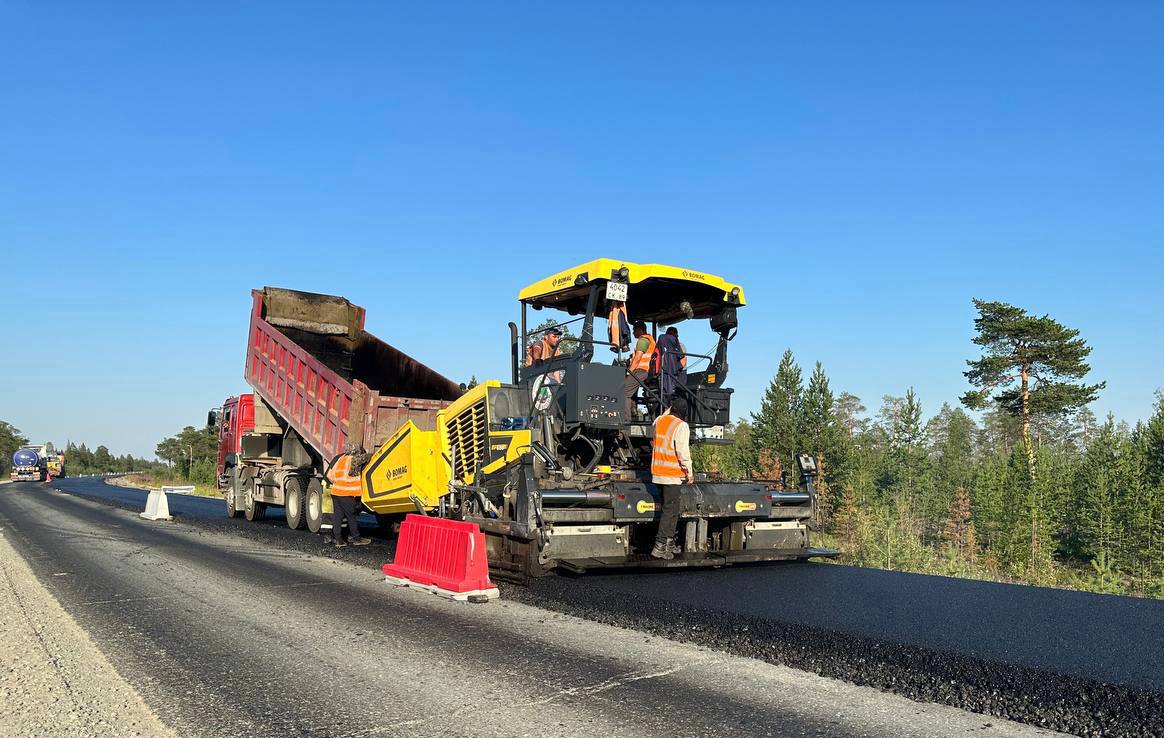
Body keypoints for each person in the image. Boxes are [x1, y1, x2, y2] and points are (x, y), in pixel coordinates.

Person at [650, 398, 694, 559]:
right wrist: (689, 472)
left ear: (670, 408)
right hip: (671, 475)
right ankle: (660, 546)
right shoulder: (681, 426)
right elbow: (683, 451)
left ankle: (669, 543)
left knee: (671, 509)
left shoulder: (660, 421)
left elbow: (658, 419)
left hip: (658, 473)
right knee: (670, 511)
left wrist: (668, 410)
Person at [326, 442, 372, 548]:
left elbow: (329, 475)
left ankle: (339, 541)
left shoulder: (340, 459)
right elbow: (367, 457)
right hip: (346, 493)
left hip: (336, 492)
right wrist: (371, 454)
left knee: (338, 517)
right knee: (351, 516)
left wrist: (339, 483)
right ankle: (356, 538)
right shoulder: (354, 459)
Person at [624, 321, 655, 420]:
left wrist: (628, 372)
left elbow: (637, 358)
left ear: (640, 330)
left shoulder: (643, 340)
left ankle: (626, 421)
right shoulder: (649, 339)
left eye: (634, 331)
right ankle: (633, 416)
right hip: (644, 371)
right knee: (631, 393)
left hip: (641, 371)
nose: (633, 333)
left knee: (624, 391)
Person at [656, 328, 687, 407]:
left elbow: (683, 360)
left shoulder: (680, 345)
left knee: (677, 395)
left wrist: (675, 369)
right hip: (668, 373)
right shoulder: (662, 346)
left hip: (679, 373)